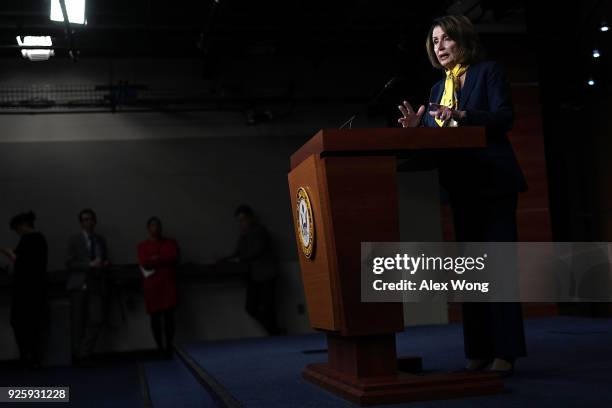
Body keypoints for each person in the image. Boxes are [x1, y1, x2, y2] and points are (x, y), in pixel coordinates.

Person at [397, 15, 527, 375]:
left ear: (462, 40)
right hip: (462, 186)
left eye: (445, 39)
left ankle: (506, 353)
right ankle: (479, 350)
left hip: (495, 182)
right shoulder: (438, 90)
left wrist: (464, 114)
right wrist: (415, 129)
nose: (438, 47)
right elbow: (436, 130)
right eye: (434, 41)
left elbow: (504, 118)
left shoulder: (489, 72)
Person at [223, 205, 281, 335]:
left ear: (251, 218)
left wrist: (239, 259)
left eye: (243, 220)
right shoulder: (244, 236)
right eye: (239, 221)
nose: (241, 223)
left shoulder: (260, 232)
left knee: (268, 307)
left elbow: (256, 250)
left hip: (266, 275)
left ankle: (275, 332)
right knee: (252, 307)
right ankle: (274, 331)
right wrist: (226, 259)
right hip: (254, 276)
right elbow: (238, 252)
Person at [0, 211, 47, 369]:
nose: (17, 232)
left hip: (27, 290)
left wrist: (11, 255)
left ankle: (28, 357)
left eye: (17, 229)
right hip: (33, 289)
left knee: (23, 323)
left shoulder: (31, 240)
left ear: (23, 226)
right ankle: (31, 357)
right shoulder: (38, 239)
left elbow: (25, 263)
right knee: (30, 324)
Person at [66, 208, 110, 366]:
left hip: (96, 283)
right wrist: (88, 265)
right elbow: (69, 263)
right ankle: (79, 356)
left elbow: (105, 258)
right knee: (78, 322)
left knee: (96, 319)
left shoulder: (100, 240)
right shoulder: (74, 239)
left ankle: (84, 353)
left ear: (95, 221)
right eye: (85, 219)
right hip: (79, 283)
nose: (88, 222)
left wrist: (104, 264)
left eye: (90, 219)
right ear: (81, 222)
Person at [137, 217, 179, 358]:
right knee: (155, 319)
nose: (156, 228)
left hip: (168, 285)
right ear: (148, 228)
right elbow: (144, 262)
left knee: (169, 318)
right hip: (152, 287)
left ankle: (169, 346)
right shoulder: (142, 246)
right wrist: (160, 259)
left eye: (158, 225)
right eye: (153, 225)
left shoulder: (170, 243)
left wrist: (155, 259)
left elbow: (173, 257)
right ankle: (159, 347)